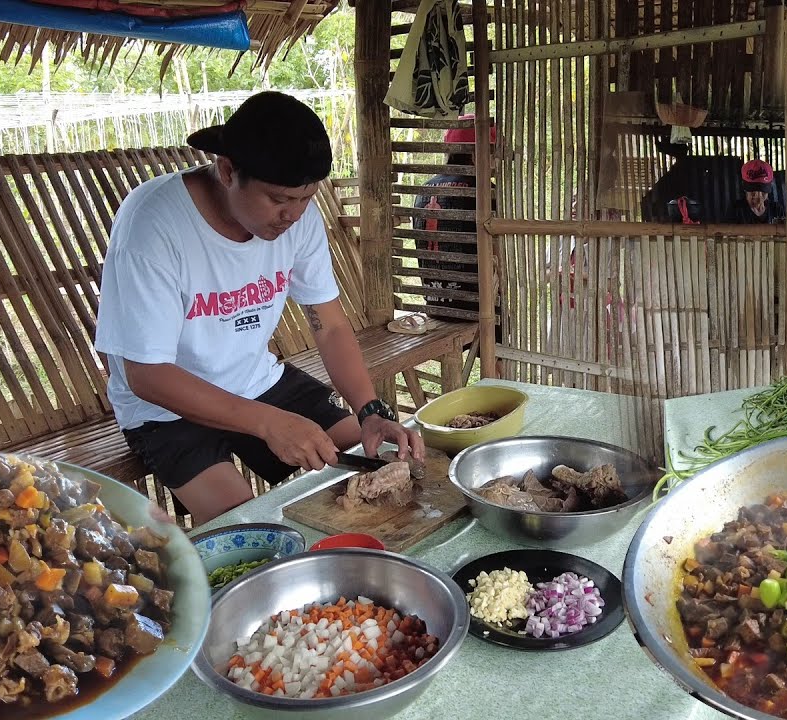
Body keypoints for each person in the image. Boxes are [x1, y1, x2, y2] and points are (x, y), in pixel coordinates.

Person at [94, 91, 424, 525]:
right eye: (278, 199)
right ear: (228, 171)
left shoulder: (298, 218)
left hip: (256, 380)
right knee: (252, 528)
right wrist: (269, 424)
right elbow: (146, 375)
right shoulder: (154, 224)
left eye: (306, 198)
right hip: (166, 407)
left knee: (380, 470)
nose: (293, 215)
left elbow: (328, 325)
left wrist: (370, 411)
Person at [411, 114, 503, 349]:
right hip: (475, 308)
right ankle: (500, 368)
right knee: (505, 336)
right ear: (477, 153)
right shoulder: (484, 191)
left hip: (435, 305)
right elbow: (499, 255)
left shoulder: (424, 189)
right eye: (493, 151)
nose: (496, 160)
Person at [724, 159, 784, 224]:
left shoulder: (777, 210)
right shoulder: (735, 210)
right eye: (753, 190)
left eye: (763, 191)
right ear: (745, 189)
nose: (758, 195)